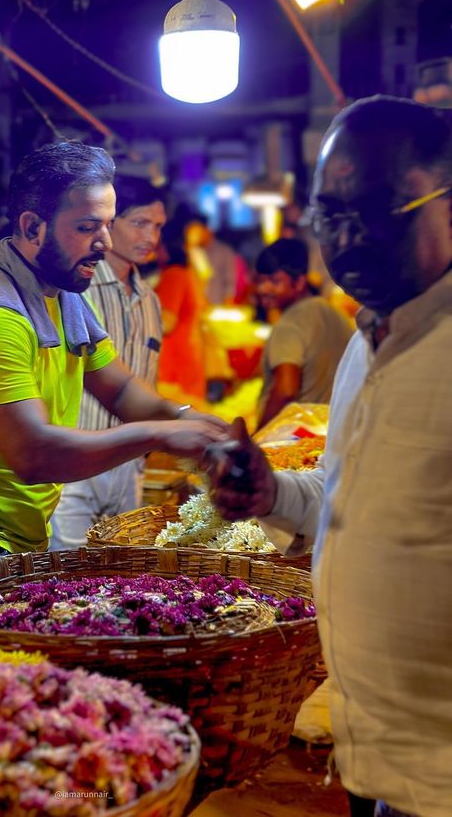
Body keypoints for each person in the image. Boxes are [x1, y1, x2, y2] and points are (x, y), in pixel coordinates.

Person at [206, 96, 452, 817]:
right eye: (328, 216)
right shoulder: (360, 341)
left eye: (376, 210)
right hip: (369, 745)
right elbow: (345, 491)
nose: (347, 239)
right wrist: (271, 494)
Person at [0, 142, 229, 645]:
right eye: (88, 227)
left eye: (109, 224)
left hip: (16, 535)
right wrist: (164, 433)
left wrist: (198, 424)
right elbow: (33, 453)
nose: (104, 241)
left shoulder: (62, 296)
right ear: (33, 227)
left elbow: (120, 389)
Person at [49, 176, 167, 550]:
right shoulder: (74, 291)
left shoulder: (150, 301)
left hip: (128, 464)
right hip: (75, 462)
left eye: (158, 226)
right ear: (110, 224)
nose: (151, 236)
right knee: (66, 578)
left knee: (121, 574)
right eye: (140, 223)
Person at [254, 238, 352, 429]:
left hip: (298, 438)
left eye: (274, 281)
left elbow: (286, 390)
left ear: (299, 283)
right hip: (337, 431)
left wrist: (258, 437)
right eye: (260, 280)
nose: (263, 289)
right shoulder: (332, 313)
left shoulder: (289, 324)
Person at [155, 217, 207, 400]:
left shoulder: (174, 275)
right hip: (187, 359)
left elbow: (166, 323)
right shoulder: (187, 272)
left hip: (175, 366)